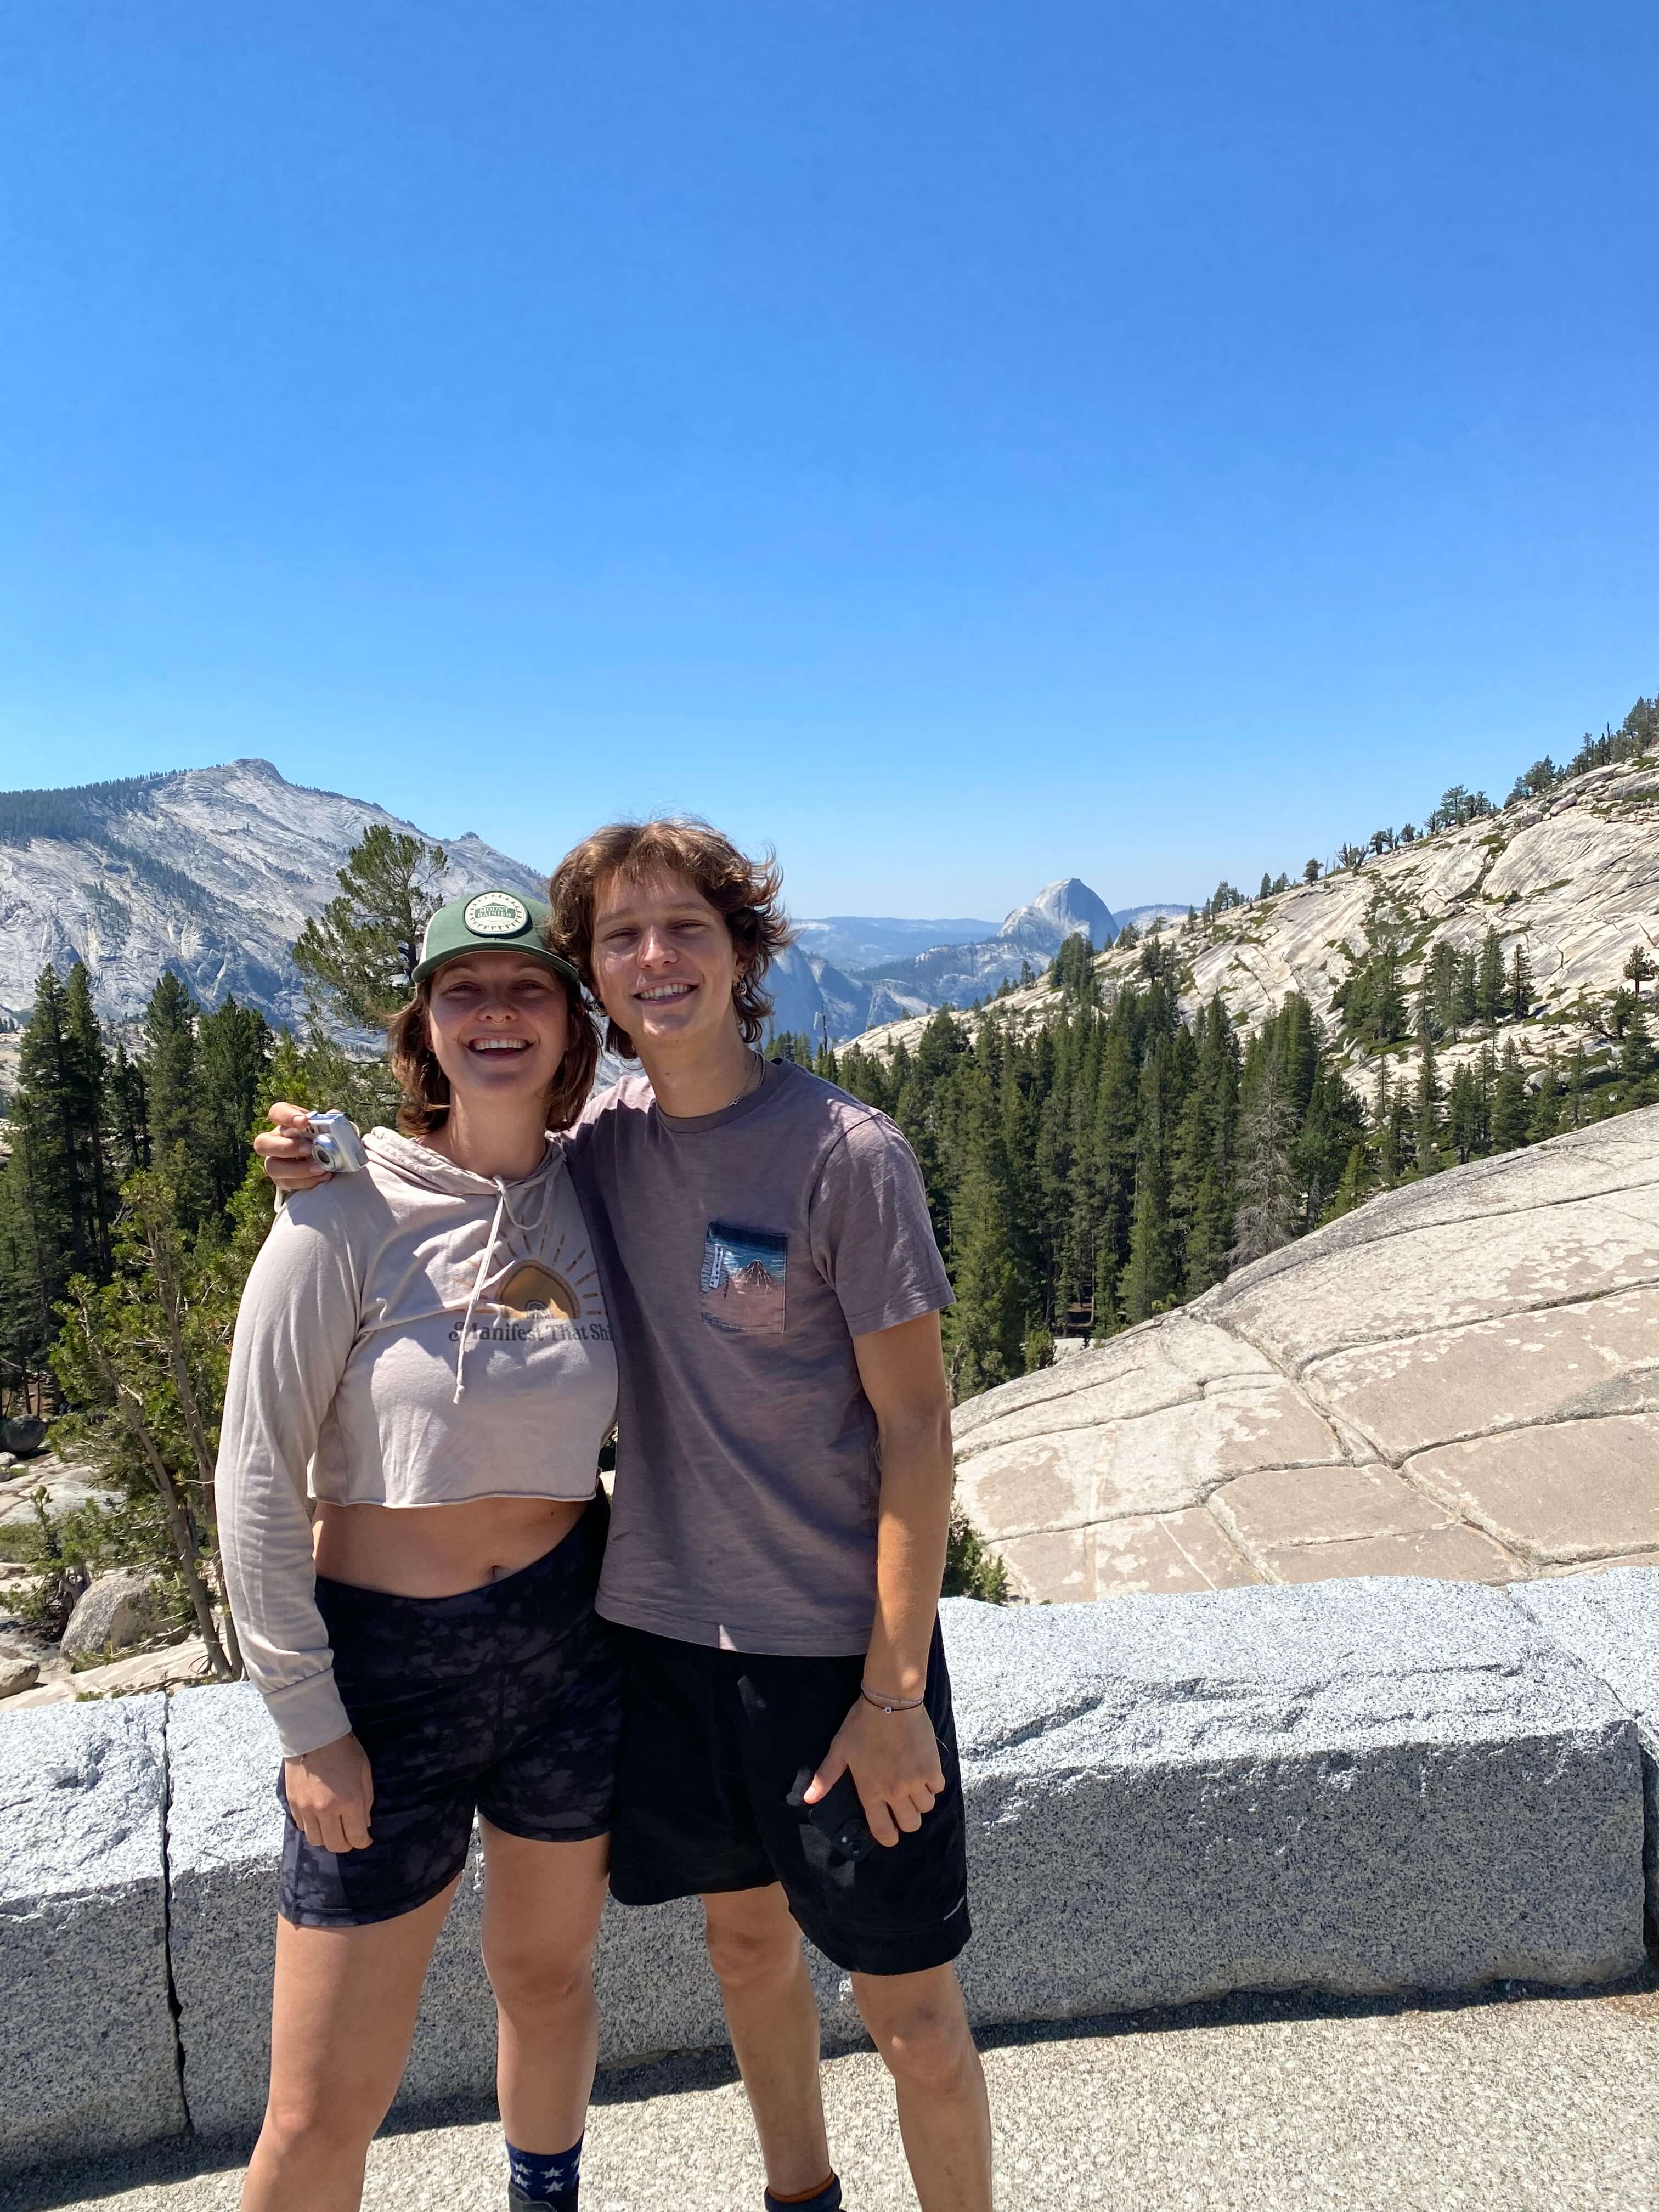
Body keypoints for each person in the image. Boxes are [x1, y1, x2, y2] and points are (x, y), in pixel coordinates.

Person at [260, 822, 995, 2212]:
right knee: (744, 1953)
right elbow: (461, 1156)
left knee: (914, 2023)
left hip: (837, 1655)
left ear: (743, 952)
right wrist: (321, 1156)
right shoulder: (594, 1149)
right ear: (594, 976)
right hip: (657, 1640)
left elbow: (918, 1426)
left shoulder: (845, 1152)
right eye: (621, 938)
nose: (655, 959)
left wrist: (893, 1692)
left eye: (686, 930)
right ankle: (802, 2196)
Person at [222, 889, 622, 2212]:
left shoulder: (604, 1193)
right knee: (322, 2103)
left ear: (572, 1027)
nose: (498, 1014)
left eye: (530, 989)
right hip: (387, 1677)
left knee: (551, 1982)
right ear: (426, 1029)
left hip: (570, 1648)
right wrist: (306, 1719)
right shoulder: (341, 1211)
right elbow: (257, 1473)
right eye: (466, 991)